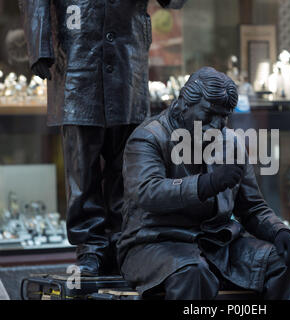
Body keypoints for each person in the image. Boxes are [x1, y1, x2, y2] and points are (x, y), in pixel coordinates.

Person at [20, 0, 187, 276]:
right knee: (81, 168)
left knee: (127, 167)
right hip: (76, 58)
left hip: (126, 56)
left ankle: (126, 243)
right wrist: (40, 45)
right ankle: (91, 248)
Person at [116, 67, 290, 300]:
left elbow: (252, 207)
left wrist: (280, 232)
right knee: (192, 272)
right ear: (184, 104)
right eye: (209, 114)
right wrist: (206, 184)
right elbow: (147, 191)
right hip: (154, 243)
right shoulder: (149, 137)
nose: (217, 125)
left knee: (286, 262)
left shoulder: (231, 142)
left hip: (218, 244)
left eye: (224, 116)